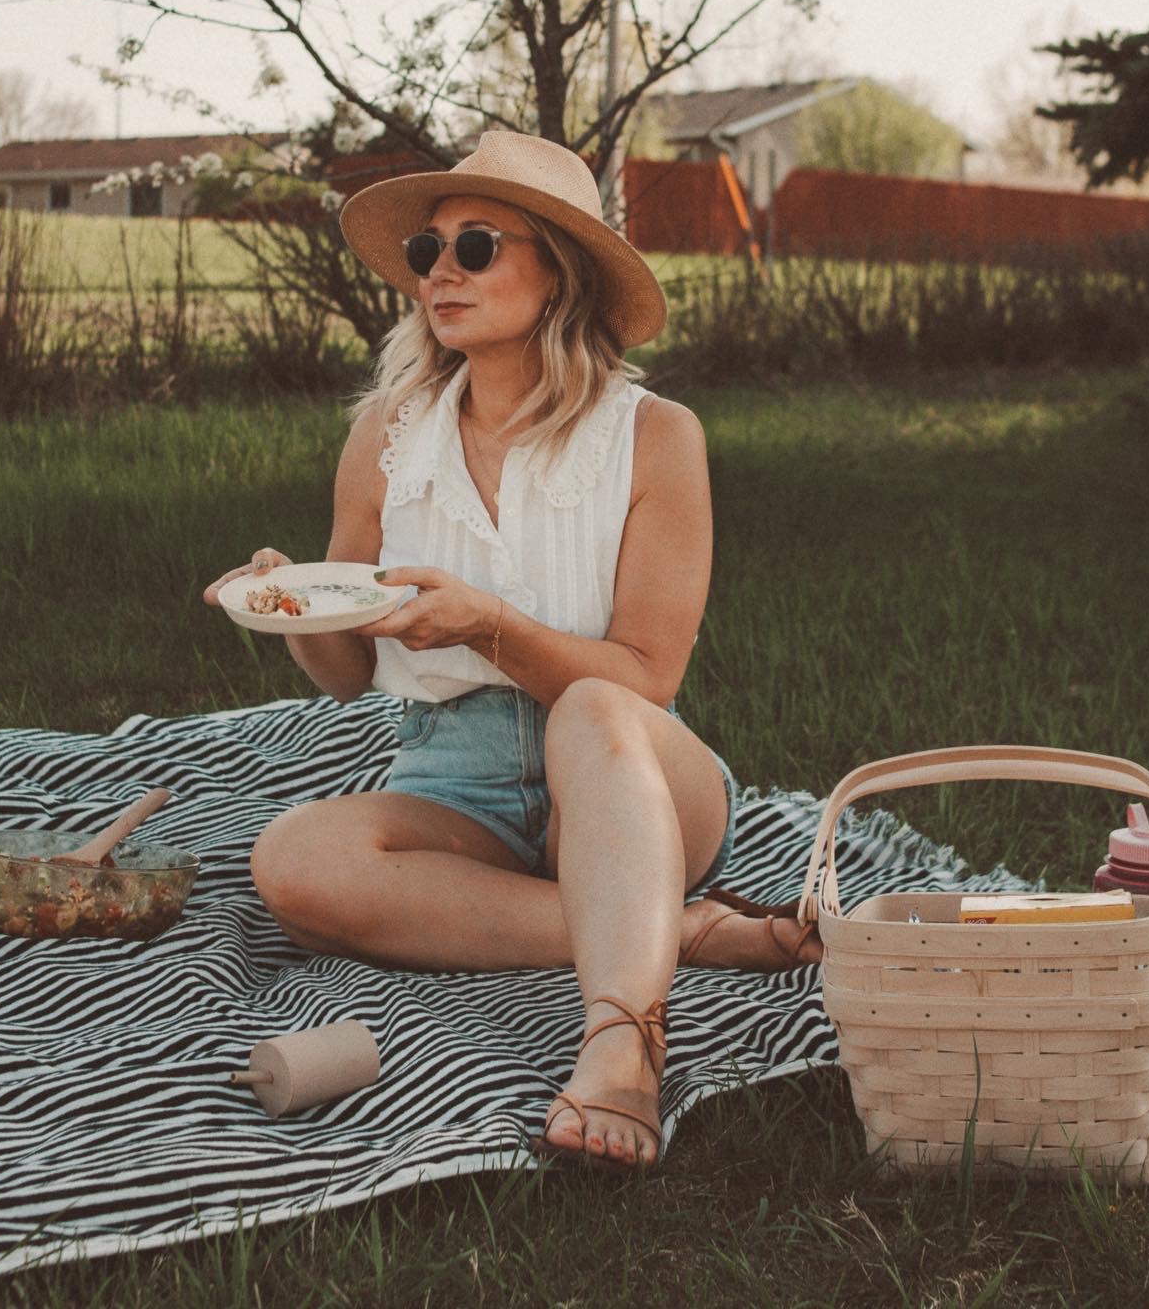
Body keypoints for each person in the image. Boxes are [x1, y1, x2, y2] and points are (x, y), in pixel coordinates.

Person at [203, 131, 819, 1174]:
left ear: (558, 272)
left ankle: (624, 1042)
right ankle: (682, 928)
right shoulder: (389, 439)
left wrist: (489, 624)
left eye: (477, 245)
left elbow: (644, 679)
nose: (440, 269)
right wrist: (296, 615)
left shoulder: (655, 437)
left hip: (633, 772)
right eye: (427, 251)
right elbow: (353, 674)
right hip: (456, 779)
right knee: (292, 863)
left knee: (589, 707)